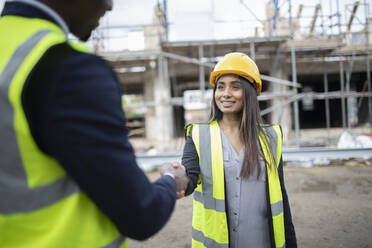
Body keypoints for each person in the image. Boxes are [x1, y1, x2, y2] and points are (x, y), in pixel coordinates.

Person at [0, 0, 188, 247]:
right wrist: (169, 179)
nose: (109, 7)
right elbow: (142, 214)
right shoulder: (68, 68)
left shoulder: (10, 49)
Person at [180, 52, 297, 248]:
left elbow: (281, 197)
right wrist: (175, 178)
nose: (225, 93)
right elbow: (188, 179)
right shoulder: (199, 136)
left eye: (235, 87)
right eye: (220, 87)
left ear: (250, 92)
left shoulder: (271, 138)